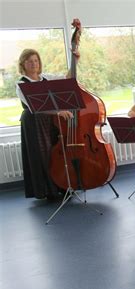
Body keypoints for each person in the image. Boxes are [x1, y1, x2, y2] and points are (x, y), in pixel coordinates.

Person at [16, 48, 75, 200]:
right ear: (23, 64)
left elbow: (67, 78)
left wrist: (76, 60)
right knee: (42, 156)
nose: (34, 64)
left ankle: (61, 186)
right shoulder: (21, 84)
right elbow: (34, 108)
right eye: (30, 61)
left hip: (50, 121)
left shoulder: (46, 78)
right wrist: (58, 112)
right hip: (33, 123)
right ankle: (47, 191)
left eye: (36, 60)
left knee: (56, 153)